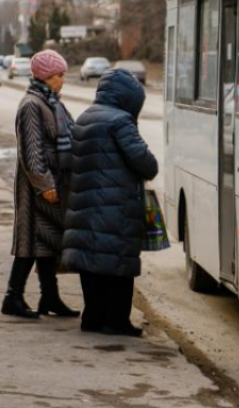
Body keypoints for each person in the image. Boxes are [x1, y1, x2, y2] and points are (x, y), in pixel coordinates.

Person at [62, 68, 159, 337]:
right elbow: (146, 163)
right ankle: (117, 321)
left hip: (84, 204)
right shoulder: (120, 121)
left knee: (91, 263)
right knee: (119, 265)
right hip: (114, 207)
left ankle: (92, 317)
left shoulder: (84, 117)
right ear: (128, 98)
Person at [1, 50, 80, 320]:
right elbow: (30, 152)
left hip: (54, 184)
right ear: (47, 76)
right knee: (30, 244)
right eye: (60, 75)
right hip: (36, 188)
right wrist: (45, 185)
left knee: (48, 244)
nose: (63, 80)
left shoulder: (52, 102)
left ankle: (50, 296)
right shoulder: (31, 105)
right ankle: (13, 297)